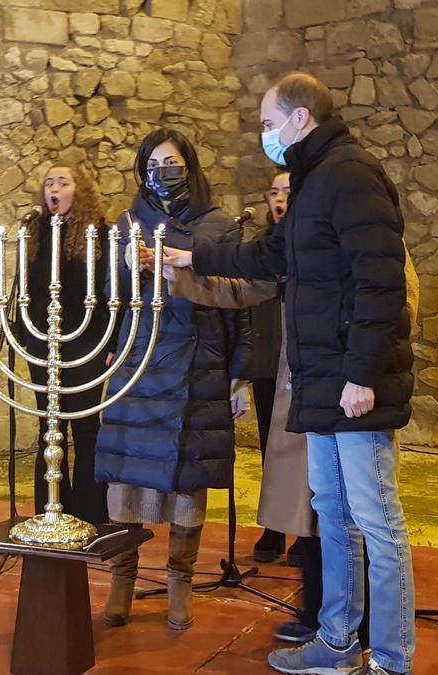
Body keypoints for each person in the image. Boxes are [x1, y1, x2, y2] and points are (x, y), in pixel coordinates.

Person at [166, 72, 416, 675]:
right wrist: (192, 255)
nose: (264, 134)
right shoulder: (312, 180)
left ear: (300, 119)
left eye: (268, 123)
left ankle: (390, 658)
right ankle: (336, 642)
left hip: (354, 385)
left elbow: (379, 282)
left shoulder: (349, 174)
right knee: (332, 513)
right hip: (322, 381)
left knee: (376, 520)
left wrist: (362, 374)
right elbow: (271, 257)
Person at [94, 128, 252, 632]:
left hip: (199, 359)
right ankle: (123, 578)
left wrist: (240, 375)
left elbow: (240, 306)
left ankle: (180, 579)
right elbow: (110, 296)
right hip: (140, 360)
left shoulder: (218, 227)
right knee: (127, 476)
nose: (164, 172)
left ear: (190, 165)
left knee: (189, 477)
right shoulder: (128, 223)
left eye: (172, 162)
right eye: (154, 163)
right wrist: (123, 266)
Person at [17, 164, 113, 524]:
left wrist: (110, 341)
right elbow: (24, 287)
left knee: (85, 425)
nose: (53, 189)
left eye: (63, 182)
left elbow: (107, 292)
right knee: (49, 425)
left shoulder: (99, 234)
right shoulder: (35, 230)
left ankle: (91, 511)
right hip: (42, 343)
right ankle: (52, 508)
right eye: (48, 183)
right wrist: (26, 335)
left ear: (79, 190)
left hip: (86, 341)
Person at [249, 171, 292, 565]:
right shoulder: (260, 247)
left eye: (287, 191)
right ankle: (275, 526)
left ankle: (309, 532)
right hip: (266, 363)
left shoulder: (314, 242)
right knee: (270, 448)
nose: (279, 198)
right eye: (273, 191)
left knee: (305, 450)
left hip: (301, 368)